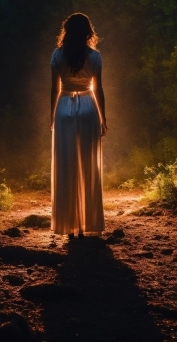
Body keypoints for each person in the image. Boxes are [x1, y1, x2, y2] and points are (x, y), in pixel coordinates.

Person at [50, 12, 107, 237]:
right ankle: (86, 225)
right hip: (88, 107)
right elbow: (98, 89)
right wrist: (103, 118)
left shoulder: (57, 55)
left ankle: (69, 226)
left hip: (64, 106)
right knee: (88, 165)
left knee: (66, 166)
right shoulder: (94, 56)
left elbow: (55, 89)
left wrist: (51, 115)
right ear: (87, 33)